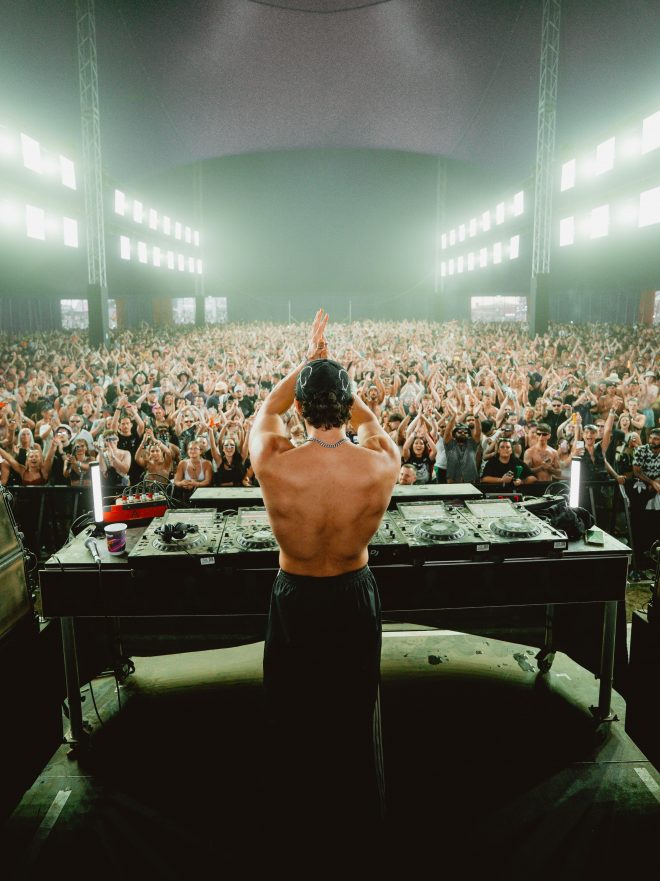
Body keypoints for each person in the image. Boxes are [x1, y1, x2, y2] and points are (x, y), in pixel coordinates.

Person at [249, 309, 399, 839]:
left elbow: (268, 407)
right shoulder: (381, 462)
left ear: (301, 408)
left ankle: (294, 821)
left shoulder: (274, 460)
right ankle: (356, 820)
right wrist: (337, 376)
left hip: (296, 595)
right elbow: (369, 423)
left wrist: (310, 361)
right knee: (352, 708)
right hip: (354, 593)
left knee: (292, 710)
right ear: (347, 403)